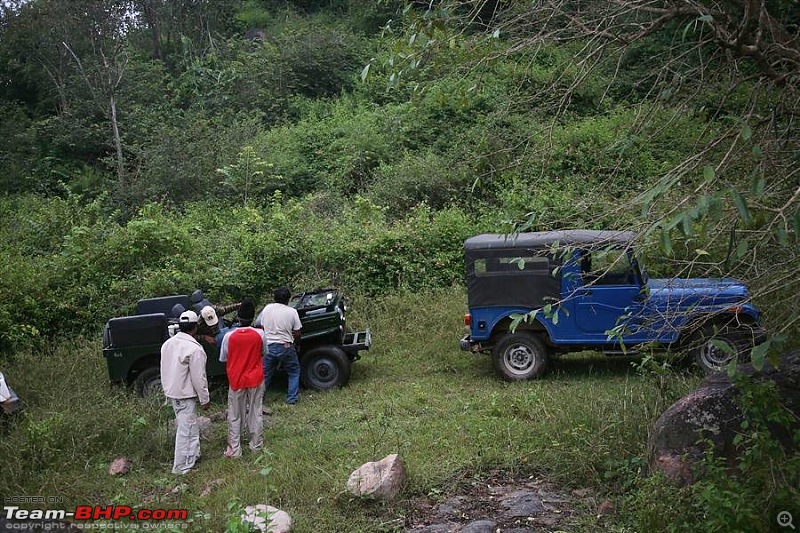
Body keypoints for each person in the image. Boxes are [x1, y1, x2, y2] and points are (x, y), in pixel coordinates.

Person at [160, 310, 210, 475]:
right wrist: (205, 399)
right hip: (185, 395)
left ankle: (193, 455)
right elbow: (199, 377)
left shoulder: (168, 344)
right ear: (195, 327)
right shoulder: (194, 349)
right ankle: (181, 467)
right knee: (185, 430)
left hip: (173, 392)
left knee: (189, 425)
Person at [219, 299, 266, 457]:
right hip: (255, 378)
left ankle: (234, 449)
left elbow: (224, 358)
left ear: (238, 317)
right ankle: (256, 445)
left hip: (236, 379)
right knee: (255, 412)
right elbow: (263, 352)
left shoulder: (228, 336)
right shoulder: (260, 334)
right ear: (253, 318)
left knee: (235, 414)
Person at [258, 287, 302, 405]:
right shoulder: (292, 312)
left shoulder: (267, 309)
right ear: (288, 299)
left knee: (265, 374)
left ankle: (259, 399)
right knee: (294, 371)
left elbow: (262, 327)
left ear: (274, 298)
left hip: (268, 346)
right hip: (286, 346)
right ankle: (291, 399)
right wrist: (297, 344)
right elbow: (297, 333)